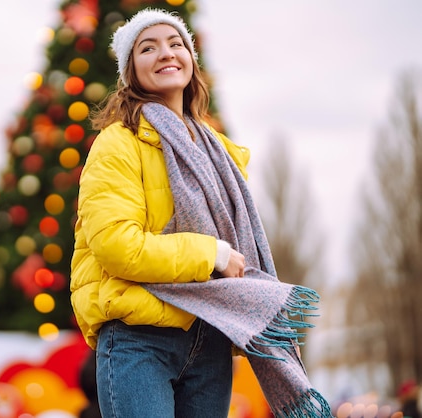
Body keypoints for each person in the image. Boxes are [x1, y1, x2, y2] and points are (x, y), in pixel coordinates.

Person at [70, 8, 330, 418]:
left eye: (176, 44)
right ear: (129, 71)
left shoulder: (219, 152)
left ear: (191, 59)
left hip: (210, 335)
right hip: (140, 339)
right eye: (147, 47)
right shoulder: (118, 143)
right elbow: (116, 246)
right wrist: (213, 254)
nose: (165, 54)